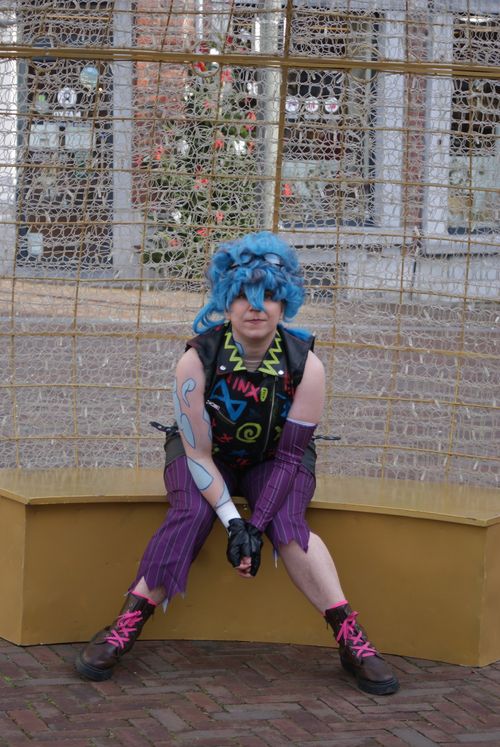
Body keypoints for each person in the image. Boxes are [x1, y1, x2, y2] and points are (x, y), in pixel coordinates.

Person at [75, 231, 399, 695]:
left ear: (285, 303)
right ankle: (123, 627)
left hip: (276, 457)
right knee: (191, 513)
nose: (256, 306)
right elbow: (198, 453)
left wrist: (256, 526)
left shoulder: (306, 365)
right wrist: (233, 523)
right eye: (244, 294)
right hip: (207, 456)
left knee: (288, 524)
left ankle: (352, 641)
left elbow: (290, 455)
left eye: (269, 295)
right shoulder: (196, 361)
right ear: (226, 302)